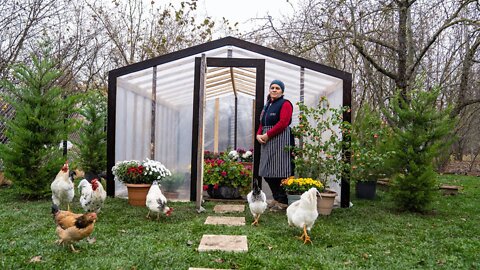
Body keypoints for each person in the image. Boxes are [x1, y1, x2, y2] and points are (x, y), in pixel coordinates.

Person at [256, 79, 294, 211]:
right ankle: (277, 198)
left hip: (280, 139)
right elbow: (262, 123)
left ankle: (282, 201)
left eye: (277, 88)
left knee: (279, 171)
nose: (274, 90)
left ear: (282, 91)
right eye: (272, 87)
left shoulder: (285, 104)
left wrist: (267, 134)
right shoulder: (268, 105)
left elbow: (283, 123)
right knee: (266, 171)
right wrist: (258, 134)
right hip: (267, 140)